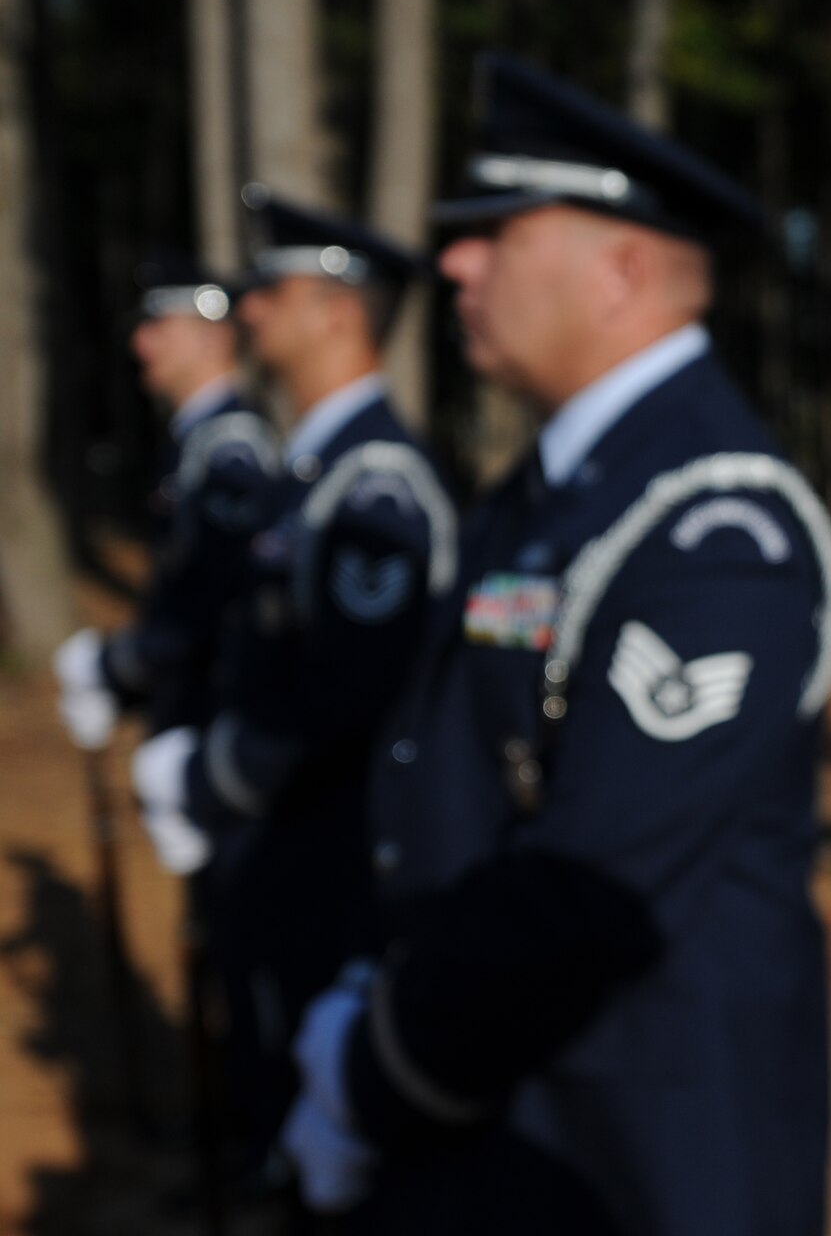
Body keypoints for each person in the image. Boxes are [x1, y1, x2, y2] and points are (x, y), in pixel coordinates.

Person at [279, 54, 831, 1235]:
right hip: (494, 1096)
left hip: (634, 1150)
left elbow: (593, 880)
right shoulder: (540, 489)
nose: (452, 264)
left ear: (621, 269)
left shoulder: (713, 520)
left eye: (494, 231)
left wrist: (371, 1066)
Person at [129, 190, 449, 1184]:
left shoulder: (375, 486)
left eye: (273, 289)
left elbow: (346, 698)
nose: (250, 308)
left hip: (336, 864)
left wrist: (215, 775)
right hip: (280, 853)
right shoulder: (314, 475)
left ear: (340, 313)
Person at [52, 255, 278, 755]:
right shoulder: (197, 441)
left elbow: (216, 603)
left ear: (212, 337)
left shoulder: (229, 449)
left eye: (160, 327)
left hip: (217, 719)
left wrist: (117, 664)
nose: (140, 344)